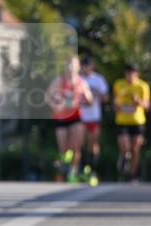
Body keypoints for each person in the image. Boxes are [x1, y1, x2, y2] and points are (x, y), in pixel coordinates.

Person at [45, 56, 92, 182]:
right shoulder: (59, 81)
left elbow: (89, 100)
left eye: (73, 65)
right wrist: (55, 105)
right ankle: (64, 164)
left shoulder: (81, 82)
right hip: (61, 117)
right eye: (68, 64)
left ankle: (73, 172)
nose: (71, 67)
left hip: (76, 116)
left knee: (76, 147)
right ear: (65, 66)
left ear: (78, 67)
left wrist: (86, 98)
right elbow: (47, 96)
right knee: (63, 148)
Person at [112, 63, 149, 182]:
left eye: (132, 73)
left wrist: (138, 100)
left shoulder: (142, 86)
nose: (130, 75)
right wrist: (116, 105)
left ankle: (133, 175)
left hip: (138, 121)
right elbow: (114, 104)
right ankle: (123, 157)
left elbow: (147, 106)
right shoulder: (118, 84)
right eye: (128, 72)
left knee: (135, 149)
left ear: (137, 74)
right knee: (125, 147)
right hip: (122, 121)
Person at [78, 54, 109, 185]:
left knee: (93, 144)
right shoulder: (78, 79)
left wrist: (96, 93)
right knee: (80, 144)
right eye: (83, 65)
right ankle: (80, 170)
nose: (85, 67)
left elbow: (106, 98)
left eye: (87, 65)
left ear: (92, 66)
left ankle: (92, 170)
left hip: (94, 116)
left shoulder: (98, 79)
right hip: (80, 116)